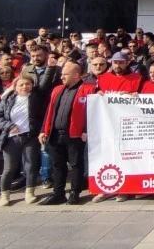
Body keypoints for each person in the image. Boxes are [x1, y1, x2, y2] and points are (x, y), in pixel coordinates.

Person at [38, 62, 96, 205]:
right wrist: (44, 130)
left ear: (76, 75)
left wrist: (86, 130)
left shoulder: (89, 89)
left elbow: (94, 112)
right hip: (55, 133)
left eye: (65, 74)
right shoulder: (57, 89)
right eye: (62, 74)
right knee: (58, 164)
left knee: (76, 164)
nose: (62, 77)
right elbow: (49, 111)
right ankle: (58, 193)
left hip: (75, 134)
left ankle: (75, 192)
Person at [0, 74, 44, 206]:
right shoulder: (8, 100)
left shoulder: (37, 98)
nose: (25, 87)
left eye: (28, 84)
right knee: (9, 168)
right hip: (11, 138)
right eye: (21, 84)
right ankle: (5, 195)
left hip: (30, 137)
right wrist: (9, 126)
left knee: (30, 166)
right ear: (15, 87)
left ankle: (30, 192)